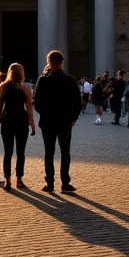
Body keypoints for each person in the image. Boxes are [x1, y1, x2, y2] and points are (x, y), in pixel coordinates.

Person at [34, 50, 82, 193]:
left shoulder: (42, 80)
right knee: (65, 152)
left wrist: (45, 114)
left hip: (47, 122)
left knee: (49, 153)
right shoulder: (70, 80)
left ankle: (49, 183)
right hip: (64, 122)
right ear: (62, 62)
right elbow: (78, 103)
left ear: (49, 62)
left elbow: (37, 103)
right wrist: (73, 118)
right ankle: (65, 183)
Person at [0, 62, 35, 189]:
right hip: (21, 120)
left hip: (7, 120)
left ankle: (7, 179)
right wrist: (32, 124)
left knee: (8, 151)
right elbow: (29, 108)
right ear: (22, 73)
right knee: (21, 152)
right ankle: (19, 179)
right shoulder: (25, 88)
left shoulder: (3, 86)